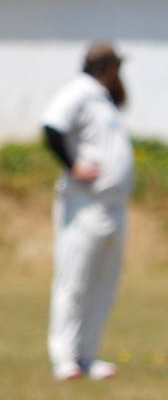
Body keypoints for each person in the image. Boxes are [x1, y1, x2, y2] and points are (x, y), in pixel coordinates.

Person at [42, 41, 133, 382]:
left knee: (102, 282)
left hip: (112, 206)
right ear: (106, 67)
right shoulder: (78, 92)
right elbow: (51, 127)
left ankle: (87, 354)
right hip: (84, 204)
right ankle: (64, 357)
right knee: (74, 280)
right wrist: (72, 166)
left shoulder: (104, 100)